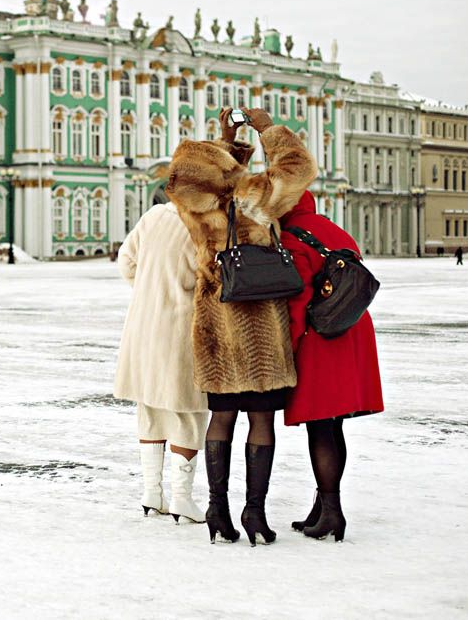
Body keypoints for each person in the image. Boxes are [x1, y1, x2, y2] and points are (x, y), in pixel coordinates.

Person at [165, 107, 316, 546]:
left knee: (222, 417)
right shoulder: (252, 196)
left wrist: (225, 139)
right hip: (259, 326)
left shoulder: (190, 204)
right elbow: (297, 168)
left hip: (215, 323)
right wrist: (268, 130)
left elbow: (216, 179)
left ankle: (216, 509)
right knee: (261, 418)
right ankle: (255, 512)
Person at [280, 191, 384, 541]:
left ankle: (333, 514)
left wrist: (290, 344)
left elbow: (298, 297)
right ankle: (322, 508)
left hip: (321, 337)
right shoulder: (333, 228)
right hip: (353, 327)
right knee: (333, 425)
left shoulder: (291, 236)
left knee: (320, 427)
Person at [114, 199, 207, 525]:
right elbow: (212, 278)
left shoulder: (154, 215)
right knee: (188, 412)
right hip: (181, 325)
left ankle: (152, 492)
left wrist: (148, 289)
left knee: (150, 407)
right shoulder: (205, 221)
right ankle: (182, 498)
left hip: (142, 324)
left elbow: (126, 261)